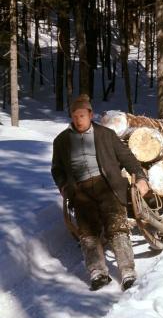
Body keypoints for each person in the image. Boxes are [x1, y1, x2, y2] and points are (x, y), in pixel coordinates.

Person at [51, 94, 149, 291]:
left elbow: (126, 157)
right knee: (87, 232)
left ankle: (127, 271)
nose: (79, 120)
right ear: (71, 116)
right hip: (80, 189)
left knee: (117, 227)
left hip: (108, 185)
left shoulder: (106, 134)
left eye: (82, 115)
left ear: (90, 114)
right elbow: (57, 169)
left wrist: (139, 176)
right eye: (75, 116)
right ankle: (98, 273)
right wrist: (63, 186)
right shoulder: (61, 141)